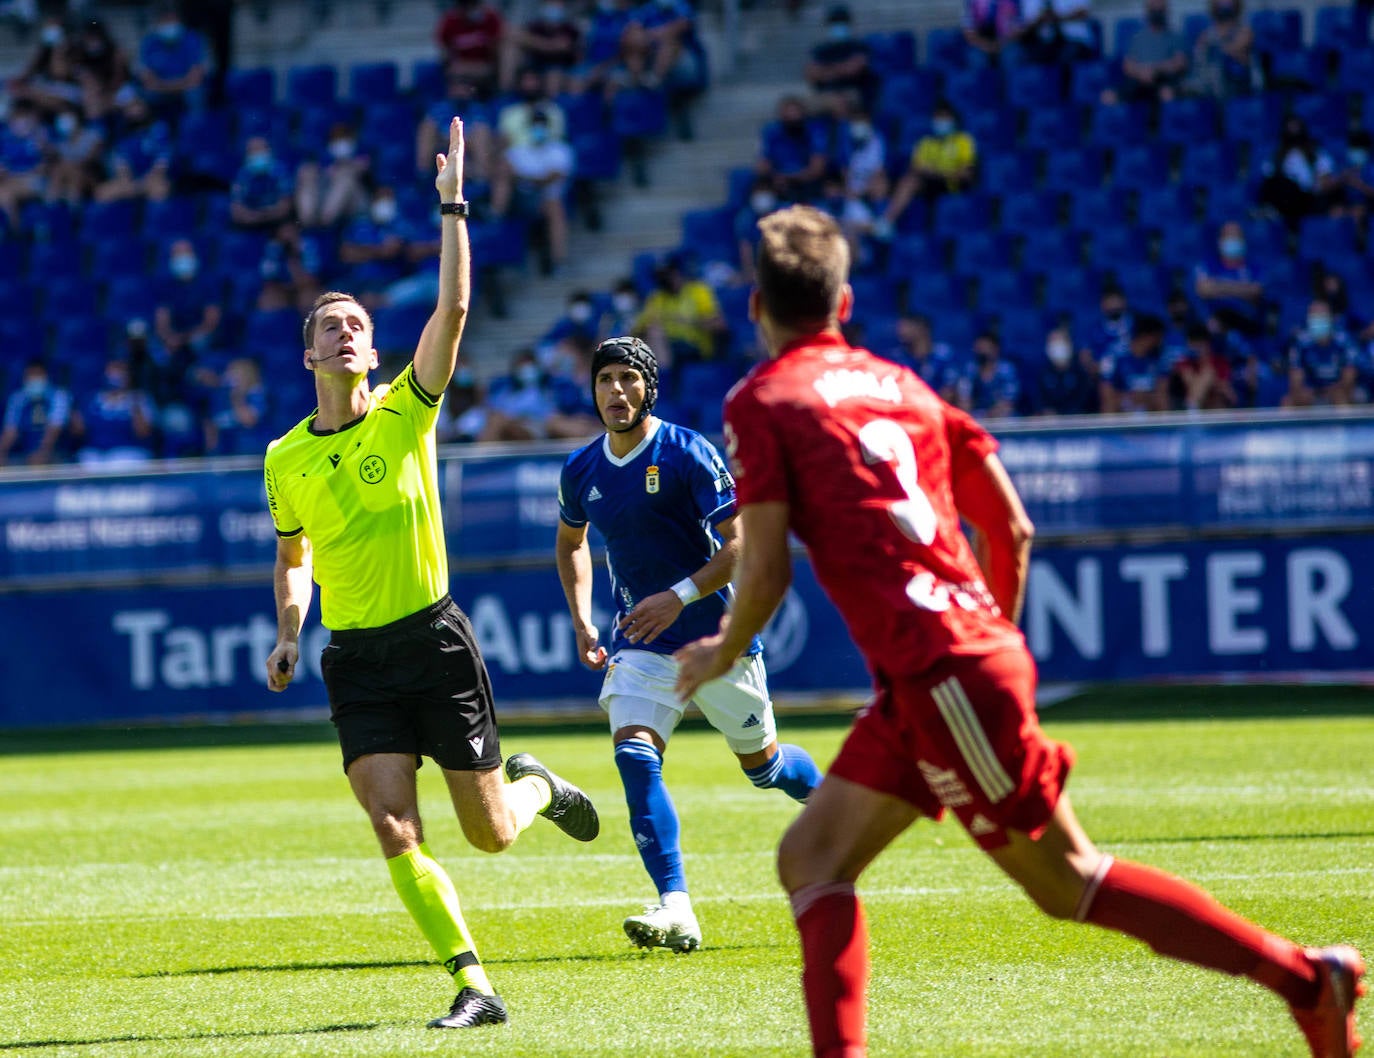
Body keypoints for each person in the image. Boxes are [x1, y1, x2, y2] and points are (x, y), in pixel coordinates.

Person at [674, 204, 1365, 1058]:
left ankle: (1304, 979)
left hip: (944, 673)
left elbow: (767, 570)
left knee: (1068, 883)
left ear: (755, 306)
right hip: (940, 670)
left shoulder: (762, 401)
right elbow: (1014, 526)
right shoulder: (909, 388)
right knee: (811, 857)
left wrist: (720, 646)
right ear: (845, 302)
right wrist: (987, 627)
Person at [263, 119, 599, 1031]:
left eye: (359, 327)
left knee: (489, 834)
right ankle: (474, 980)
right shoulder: (283, 458)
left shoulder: (407, 413)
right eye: (329, 326)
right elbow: (293, 554)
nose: (345, 334)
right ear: (308, 355)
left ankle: (534, 784)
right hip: (357, 661)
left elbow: (451, 312)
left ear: (375, 353)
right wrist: (292, 627)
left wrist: (452, 206)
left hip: (436, 643)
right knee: (391, 826)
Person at [555, 335, 821, 953]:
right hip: (640, 644)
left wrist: (679, 594)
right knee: (634, 756)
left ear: (650, 387)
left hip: (718, 640)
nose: (616, 391)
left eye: (628, 379)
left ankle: (832, 798)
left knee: (767, 769)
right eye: (605, 381)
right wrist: (582, 621)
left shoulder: (686, 452)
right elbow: (571, 543)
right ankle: (676, 905)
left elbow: (743, 543)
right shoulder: (582, 468)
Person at [879, 99, 977, 234]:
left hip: (951, 184)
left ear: (953, 119)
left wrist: (937, 171)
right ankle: (883, 222)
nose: (940, 121)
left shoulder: (963, 141)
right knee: (904, 180)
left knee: (913, 180)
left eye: (944, 117)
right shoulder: (926, 143)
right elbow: (916, 167)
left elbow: (966, 173)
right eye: (937, 117)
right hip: (928, 184)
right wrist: (936, 171)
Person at [634, 255, 727, 364]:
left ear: (678, 273)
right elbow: (639, 328)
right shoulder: (657, 298)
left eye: (668, 274)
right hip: (666, 344)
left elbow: (718, 324)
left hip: (695, 345)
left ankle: (663, 377)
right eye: (661, 275)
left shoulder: (698, 291)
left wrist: (689, 321)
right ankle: (662, 375)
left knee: (655, 339)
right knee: (651, 335)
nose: (665, 279)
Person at [69, 357, 157, 466]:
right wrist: (74, 416)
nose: (116, 375)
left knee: (120, 462)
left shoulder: (140, 398)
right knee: (87, 460)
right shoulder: (91, 399)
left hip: (128, 452)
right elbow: (78, 432)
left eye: (120, 370)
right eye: (112, 371)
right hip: (96, 453)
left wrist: (132, 404)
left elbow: (143, 432)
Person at [1101, 0, 1188, 105]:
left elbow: (1179, 63)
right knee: (1108, 97)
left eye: (1160, 9)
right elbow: (1127, 65)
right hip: (1138, 81)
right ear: (1147, 11)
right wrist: (1141, 72)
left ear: (1166, 11)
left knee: (1167, 94)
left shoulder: (1175, 37)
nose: (1156, 12)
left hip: (1162, 81)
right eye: (1153, 9)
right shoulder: (1137, 38)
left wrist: (1154, 70)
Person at [1192, 220, 1266, 337]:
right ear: (1220, 241)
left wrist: (1218, 287)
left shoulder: (1254, 268)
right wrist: (1240, 289)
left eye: (1237, 237)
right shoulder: (1207, 265)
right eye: (1229, 237)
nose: (1233, 240)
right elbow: (1204, 289)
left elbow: (1256, 291)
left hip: (1246, 324)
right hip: (1212, 325)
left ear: (1244, 240)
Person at [1285, 297, 1359, 407]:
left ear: (1331, 318)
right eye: (1314, 316)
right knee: (1289, 401)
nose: (1318, 320)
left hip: (1338, 391)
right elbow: (1295, 380)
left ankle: (1342, 424)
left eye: (1322, 316)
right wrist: (1308, 393)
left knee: (1343, 397)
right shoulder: (1301, 343)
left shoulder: (1344, 341)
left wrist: (1331, 392)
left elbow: (1349, 377)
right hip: (1311, 392)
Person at [0, 359, 71, 467]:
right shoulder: (17, 399)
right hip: (25, 454)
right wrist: (1, 452)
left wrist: (42, 452)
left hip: (56, 453)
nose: (34, 379)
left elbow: (54, 430)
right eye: (31, 375)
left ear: (46, 376)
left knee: (42, 462)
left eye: (38, 374)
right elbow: (10, 432)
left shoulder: (59, 396)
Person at [804, 5, 875, 110]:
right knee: (799, 106)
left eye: (841, 22)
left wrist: (826, 71)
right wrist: (842, 68)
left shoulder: (859, 46)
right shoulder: (821, 49)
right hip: (826, 93)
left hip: (853, 92)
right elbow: (812, 74)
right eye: (834, 22)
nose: (838, 26)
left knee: (839, 103)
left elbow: (853, 69)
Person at [1100, 313, 1169, 413]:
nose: (1161, 342)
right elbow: (1106, 392)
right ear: (1149, 337)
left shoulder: (1161, 357)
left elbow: (1162, 390)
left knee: (1162, 400)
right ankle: (1109, 428)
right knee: (1109, 404)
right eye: (1159, 338)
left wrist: (1144, 398)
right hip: (1123, 404)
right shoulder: (1114, 355)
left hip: (1149, 404)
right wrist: (1128, 398)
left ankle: (1165, 428)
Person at [1189, 0, 1254, 99]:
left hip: (1239, 84)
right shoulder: (1207, 34)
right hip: (1210, 86)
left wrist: (1215, 46)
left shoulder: (1245, 31)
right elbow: (1199, 58)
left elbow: (1235, 49)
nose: (1224, 3)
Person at [229, 136, 294, 232]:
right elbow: (236, 210)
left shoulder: (280, 172)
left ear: (269, 151)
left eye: (261, 150)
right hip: (250, 223)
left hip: (276, 222)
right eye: (254, 151)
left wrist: (266, 215)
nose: (258, 155)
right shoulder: (242, 176)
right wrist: (255, 216)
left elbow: (286, 206)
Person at [1034, 325, 1095, 415]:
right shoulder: (1042, 374)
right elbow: (1039, 400)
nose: (1057, 347)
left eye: (1060, 342)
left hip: (1076, 422)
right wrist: (1046, 411)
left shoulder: (1081, 373)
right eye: (1053, 343)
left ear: (1069, 345)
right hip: (1050, 423)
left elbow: (1084, 401)